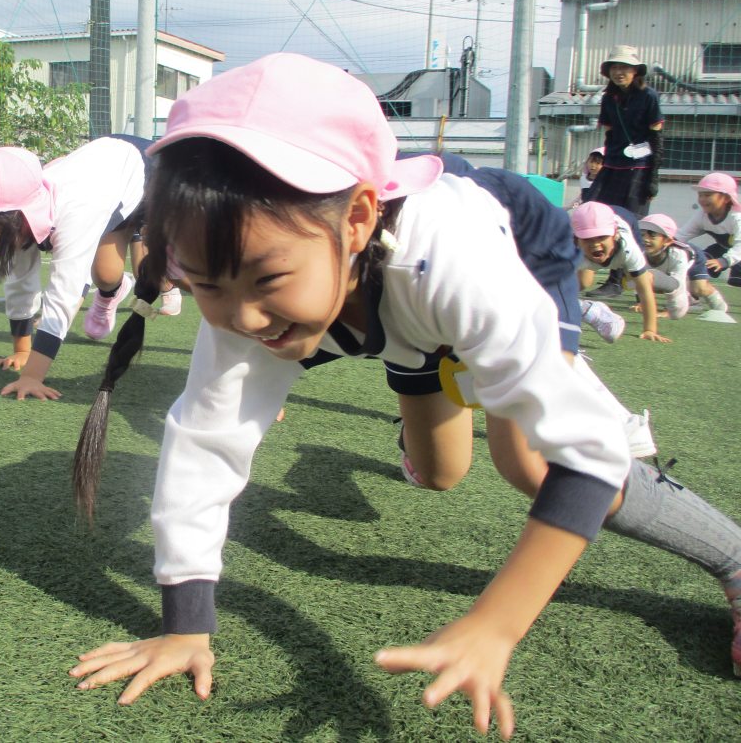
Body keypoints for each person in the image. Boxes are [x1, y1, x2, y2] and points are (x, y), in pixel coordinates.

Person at [65, 55, 741, 736]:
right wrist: (187, 630)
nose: (240, 318)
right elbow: (206, 445)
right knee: (442, 474)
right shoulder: (256, 281)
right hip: (394, 303)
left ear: (357, 218)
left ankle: (733, 558)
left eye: (266, 280)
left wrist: (494, 626)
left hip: (506, 255)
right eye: (206, 283)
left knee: (529, 464)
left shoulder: (453, 263)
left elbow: (589, 450)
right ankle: (437, 366)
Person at [0, 136, 151, 401]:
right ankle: (113, 289)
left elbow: (65, 292)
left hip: (140, 174)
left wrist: (32, 376)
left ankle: (118, 290)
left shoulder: (76, 213)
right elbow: (19, 283)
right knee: (107, 274)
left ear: (16, 219)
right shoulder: (21, 216)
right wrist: (22, 350)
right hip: (103, 179)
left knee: (138, 276)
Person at [570, 201, 670, 343]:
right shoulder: (567, 248)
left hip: (625, 220)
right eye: (587, 239)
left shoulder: (628, 249)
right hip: (585, 241)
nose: (595, 244)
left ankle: (662, 279)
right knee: (583, 283)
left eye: (601, 237)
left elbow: (644, 289)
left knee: (636, 280)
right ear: (576, 239)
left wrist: (650, 329)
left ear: (615, 234)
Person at [586, 44, 664, 217]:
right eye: (614, 67)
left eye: (624, 67)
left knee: (630, 218)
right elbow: (609, 134)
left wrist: (653, 178)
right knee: (595, 210)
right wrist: (605, 162)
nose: (618, 72)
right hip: (612, 164)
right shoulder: (608, 98)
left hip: (639, 166)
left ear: (635, 70)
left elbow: (656, 138)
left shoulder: (649, 96)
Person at [634, 212, 732, 322]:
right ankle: (692, 300)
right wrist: (641, 301)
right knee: (650, 281)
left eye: (652, 235)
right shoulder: (639, 253)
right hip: (670, 265)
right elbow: (639, 279)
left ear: (668, 241)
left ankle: (720, 309)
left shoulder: (677, 254)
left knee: (699, 288)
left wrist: (670, 311)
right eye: (642, 234)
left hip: (694, 258)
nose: (645, 239)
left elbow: (678, 286)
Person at [676, 172, 741, 291]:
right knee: (696, 263)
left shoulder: (737, 217)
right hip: (724, 248)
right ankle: (693, 299)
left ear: (726, 198)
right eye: (700, 195)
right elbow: (680, 236)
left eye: (707, 195)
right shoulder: (702, 215)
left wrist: (723, 261)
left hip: (737, 251)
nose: (702, 199)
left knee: (737, 281)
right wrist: (663, 246)